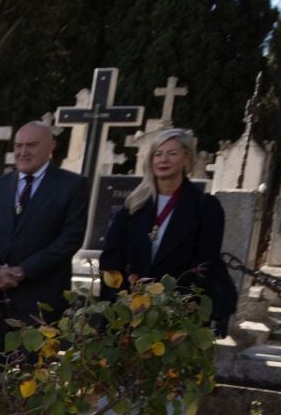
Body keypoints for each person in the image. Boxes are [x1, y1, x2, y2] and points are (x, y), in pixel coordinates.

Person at [0, 121, 91, 359]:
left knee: (32, 377)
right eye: (18, 146)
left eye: (31, 145)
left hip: (40, 298)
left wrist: (24, 270)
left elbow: (69, 239)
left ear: (51, 146)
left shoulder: (72, 186)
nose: (23, 152)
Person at [97, 127, 234, 335]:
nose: (163, 160)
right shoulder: (134, 205)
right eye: (158, 154)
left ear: (187, 159)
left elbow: (206, 262)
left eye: (172, 154)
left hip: (177, 311)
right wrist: (121, 297)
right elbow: (112, 256)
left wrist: (176, 302)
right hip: (129, 309)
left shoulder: (204, 207)